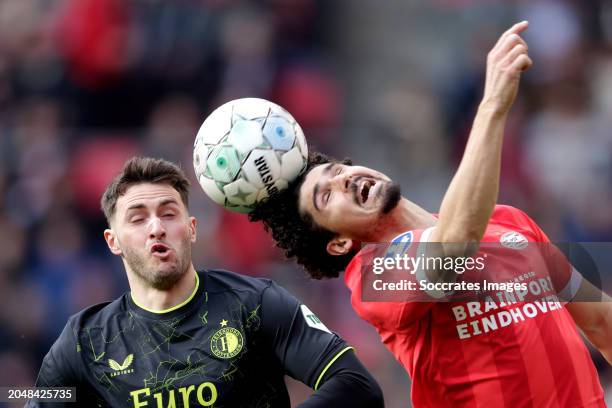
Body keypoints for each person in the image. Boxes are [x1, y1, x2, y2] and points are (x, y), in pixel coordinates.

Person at [250, 21, 612, 407]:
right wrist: (491, 106)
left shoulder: (511, 220)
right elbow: (454, 244)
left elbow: (599, 320)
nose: (344, 180)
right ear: (339, 241)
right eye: (325, 197)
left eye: (339, 171)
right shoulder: (373, 280)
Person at [28, 157, 384, 407]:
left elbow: (356, 386)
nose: (156, 227)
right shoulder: (85, 340)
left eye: (169, 213)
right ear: (112, 241)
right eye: (137, 219)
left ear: (192, 229)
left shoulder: (255, 304)